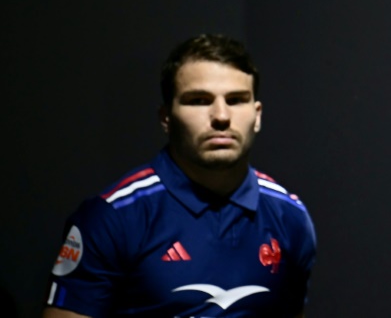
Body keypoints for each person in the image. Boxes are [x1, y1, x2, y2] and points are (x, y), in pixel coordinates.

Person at [44, 34, 316, 318]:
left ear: (257, 115)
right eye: (199, 100)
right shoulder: (114, 217)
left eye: (236, 100)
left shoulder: (290, 217)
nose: (221, 116)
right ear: (166, 118)